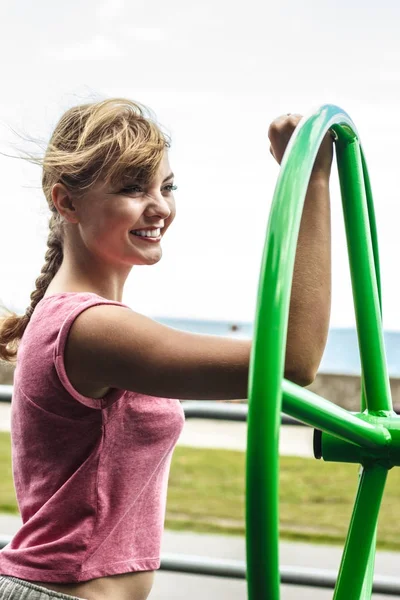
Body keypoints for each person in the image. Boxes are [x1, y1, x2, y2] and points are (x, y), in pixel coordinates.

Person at [0, 98, 333, 600]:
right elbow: (292, 360)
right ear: (66, 202)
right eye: (133, 188)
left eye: (166, 186)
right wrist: (312, 182)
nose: (160, 207)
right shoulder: (90, 330)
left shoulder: (74, 320)